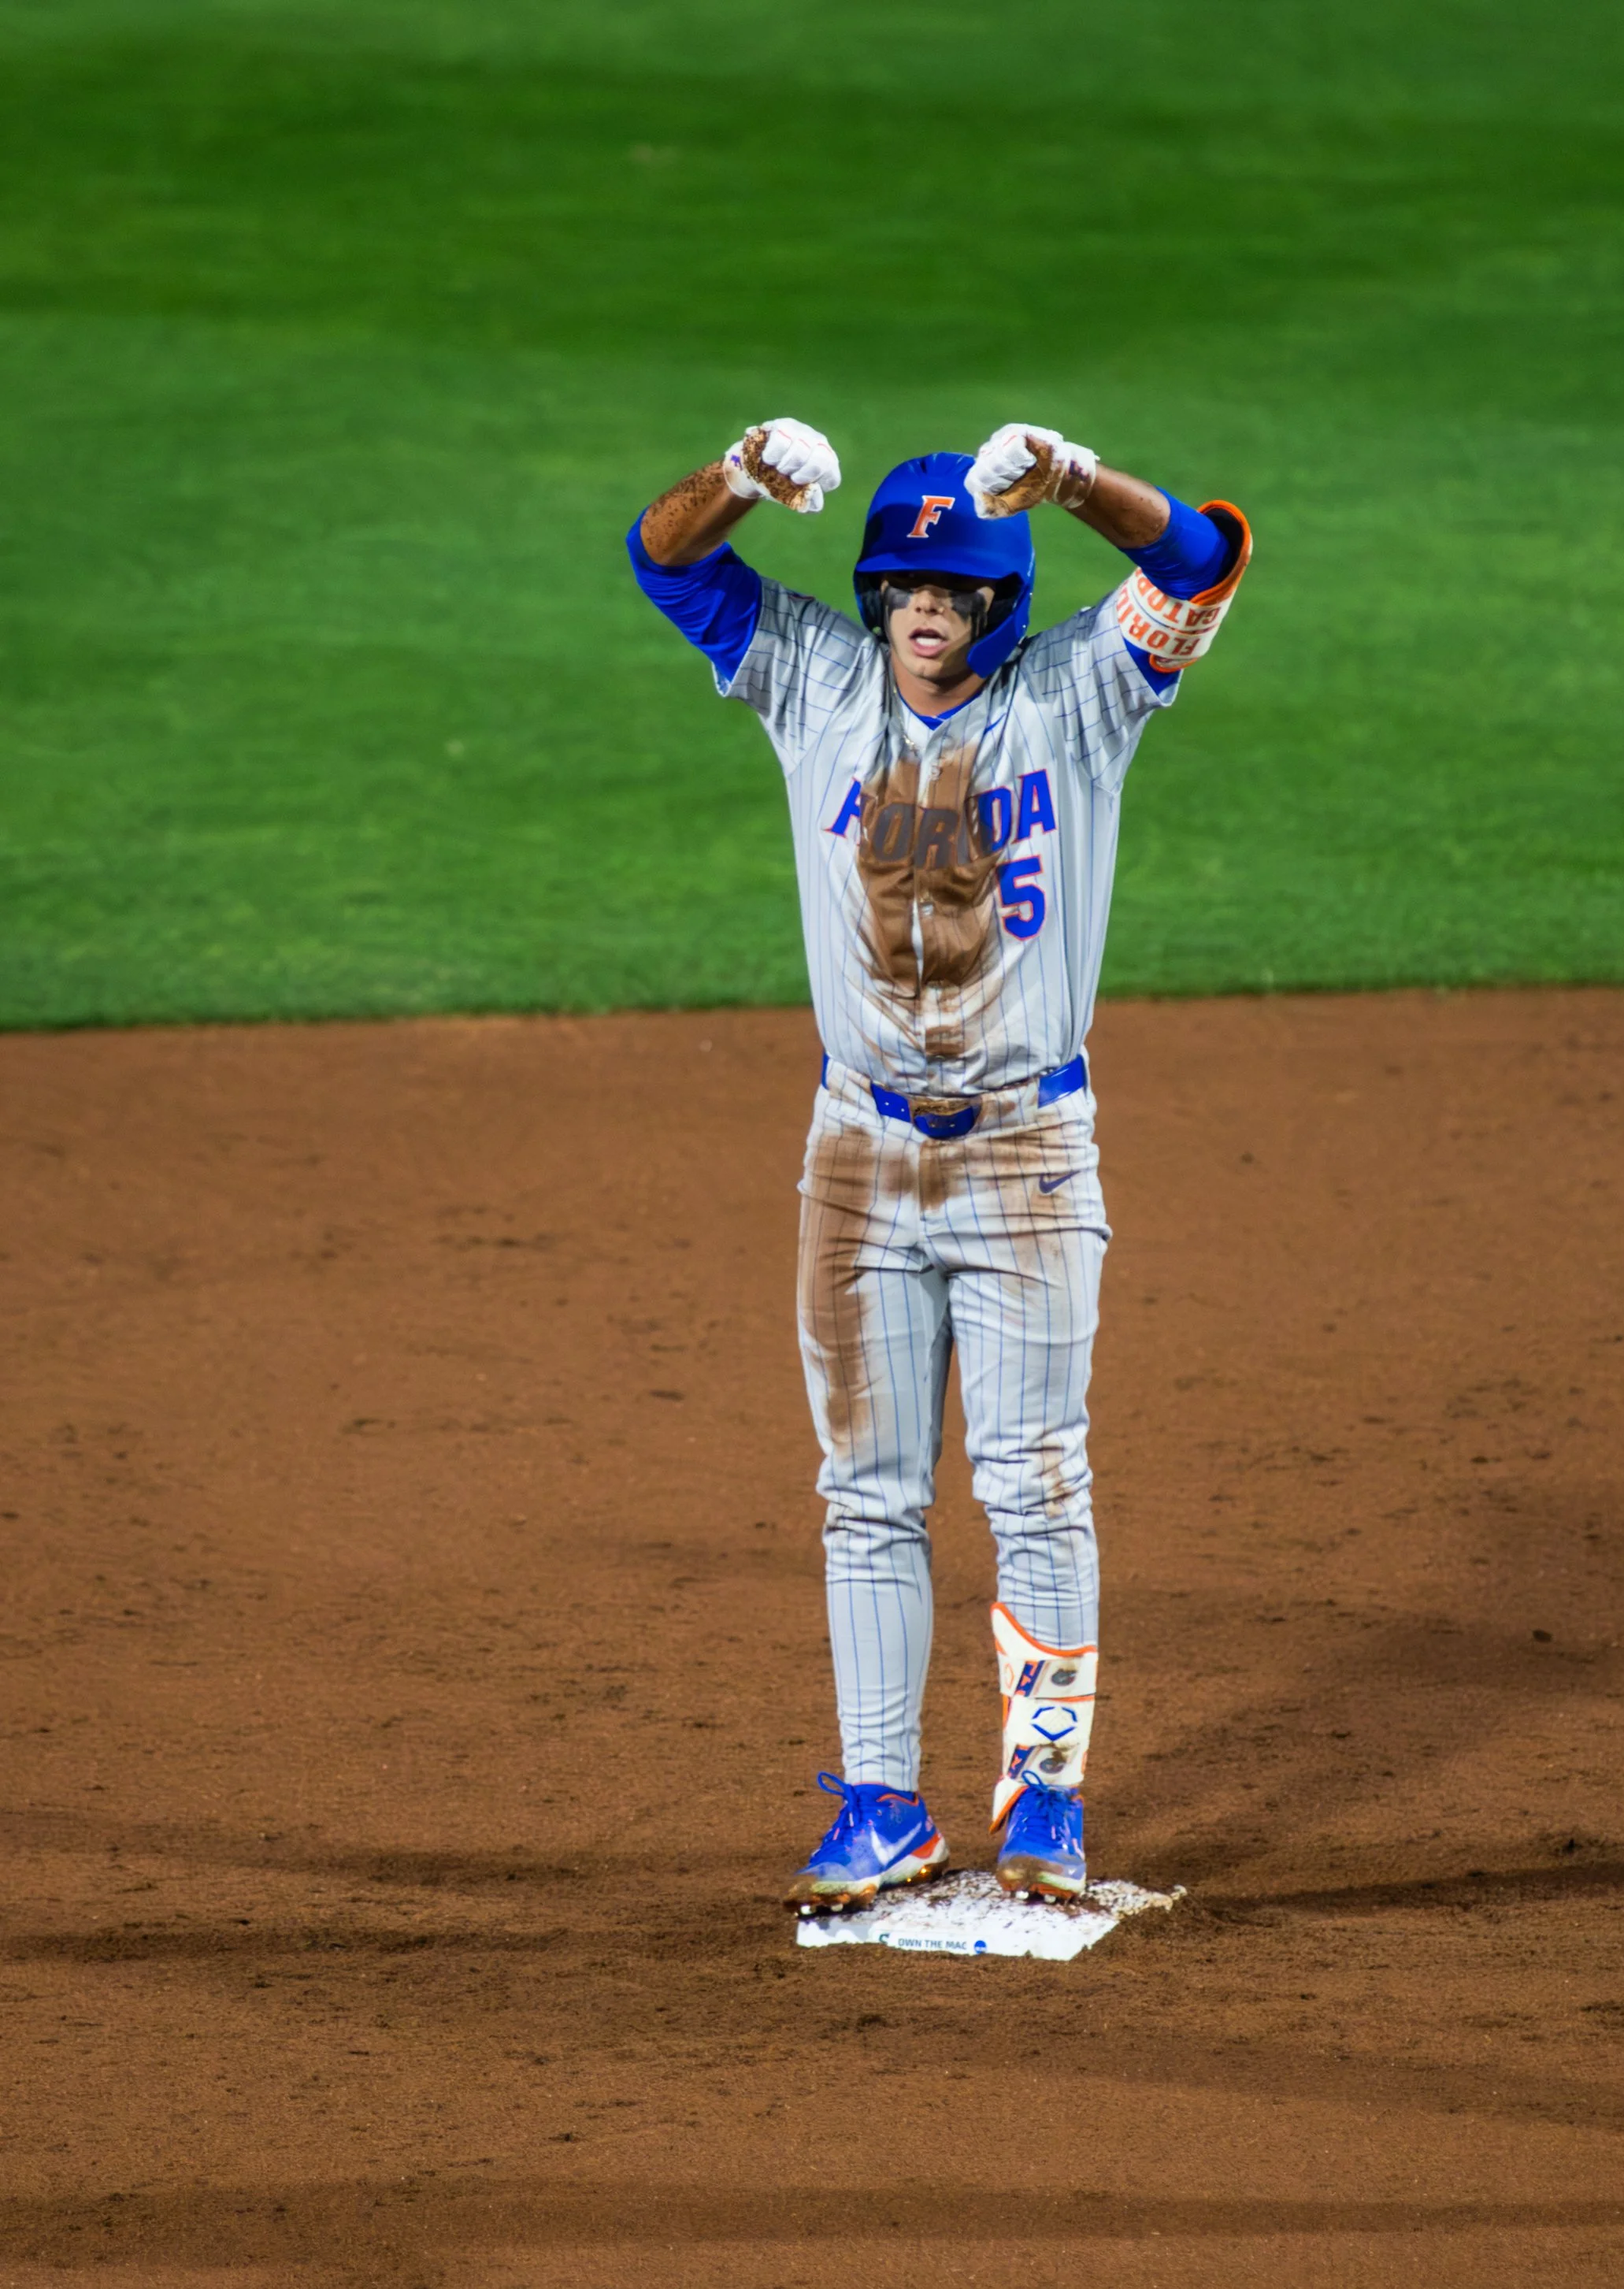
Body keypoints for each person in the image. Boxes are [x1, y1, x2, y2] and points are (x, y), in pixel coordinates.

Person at [628, 418, 1250, 1911]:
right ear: (875, 597)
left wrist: (1082, 480)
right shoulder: (812, 683)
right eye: (904, 585)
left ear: (994, 605)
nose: (924, 610)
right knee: (868, 1492)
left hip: (1030, 1152)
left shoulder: (1082, 698)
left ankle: (1045, 1804)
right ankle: (880, 1805)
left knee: (1033, 1486)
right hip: (857, 1153)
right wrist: (733, 478)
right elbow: (663, 562)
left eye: (952, 590)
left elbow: (1205, 563)